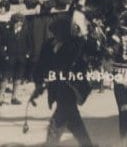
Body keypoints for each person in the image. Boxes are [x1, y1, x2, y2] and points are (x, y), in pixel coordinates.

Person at [31, 16, 94, 147]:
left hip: (71, 87)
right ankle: (87, 145)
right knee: (73, 120)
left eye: (59, 32)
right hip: (55, 87)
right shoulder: (48, 45)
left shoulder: (76, 44)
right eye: (54, 32)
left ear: (66, 32)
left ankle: (50, 144)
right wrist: (38, 83)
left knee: (60, 117)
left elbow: (86, 55)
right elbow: (41, 65)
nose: (56, 35)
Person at [0, 12, 31, 105]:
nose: (19, 24)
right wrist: (5, 55)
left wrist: (27, 54)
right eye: (17, 22)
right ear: (13, 22)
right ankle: (1, 97)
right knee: (5, 78)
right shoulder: (7, 31)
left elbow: (29, 44)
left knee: (17, 78)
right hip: (9, 58)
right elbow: (1, 45)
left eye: (21, 22)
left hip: (21, 58)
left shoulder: (25, 32)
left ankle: (14, 97)